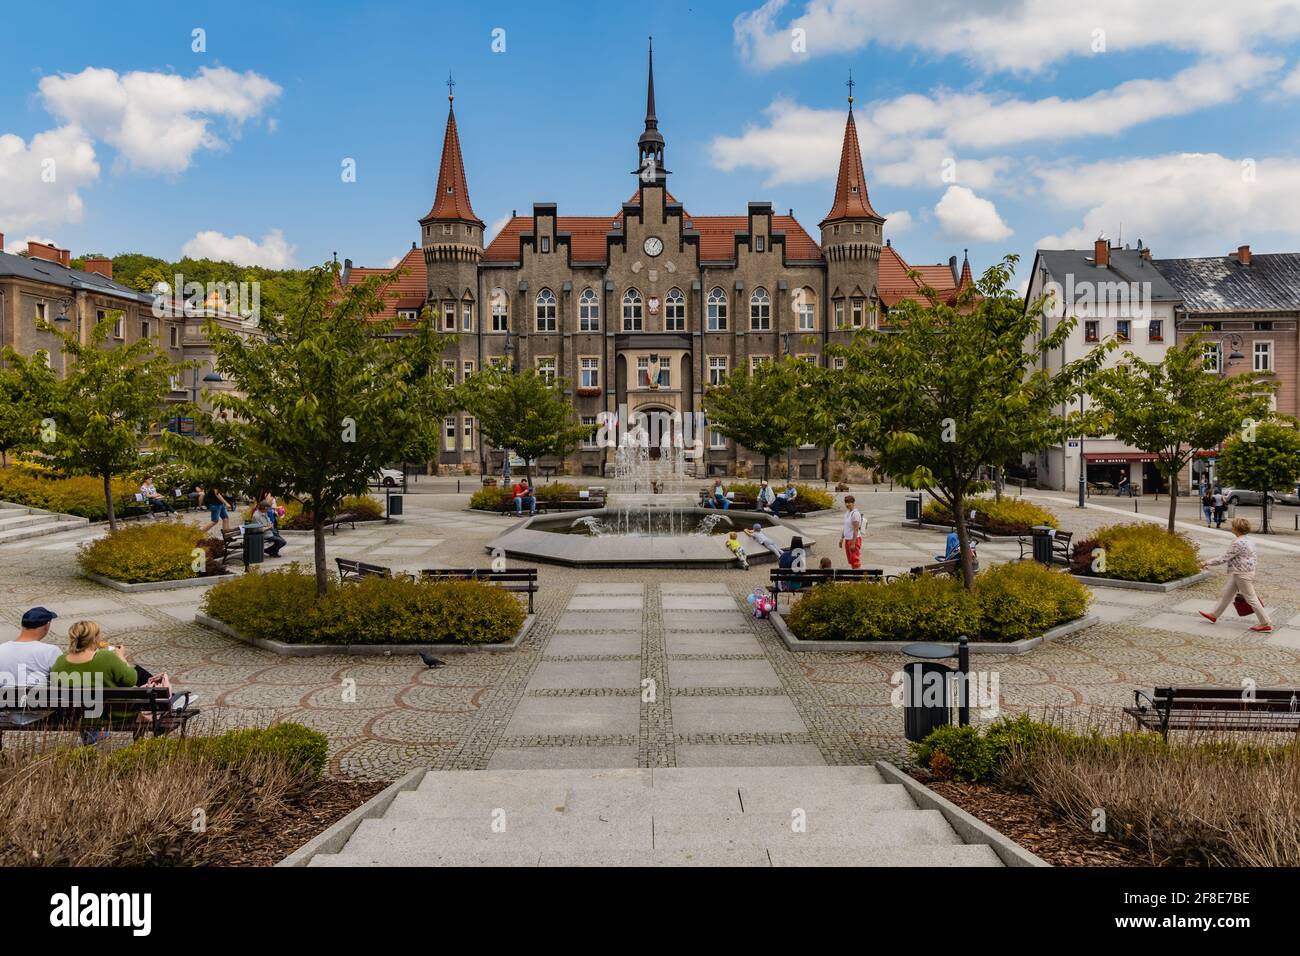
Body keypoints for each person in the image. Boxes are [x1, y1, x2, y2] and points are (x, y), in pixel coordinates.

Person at [1199, 517, 1272, 632]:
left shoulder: (1238, 543)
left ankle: (1265, 623)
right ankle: (1214, 614)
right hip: (1243, 572)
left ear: (1236, 529)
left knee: (1251, 598)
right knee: (1226, 594)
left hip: (1242, 574)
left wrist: (1205, 562)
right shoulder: (1248, 540)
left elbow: (1224, 558)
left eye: (1232, 526)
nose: (1231, 527)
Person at [0, 606, 61, 688]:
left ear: (22, 624)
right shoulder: (51, 651)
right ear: (47, 625)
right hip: (37, 699)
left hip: (5, 699)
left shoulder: (2, 649)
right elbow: (63, 680)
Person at [841, 495, 864, 569]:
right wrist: (842, 538)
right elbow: (845, 527)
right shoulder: (847, 513)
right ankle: (854, 576)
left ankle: (857, 578)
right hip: (847, 539)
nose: (847, 504)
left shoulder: (855, 514)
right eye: (846, 502)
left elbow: (856, 529)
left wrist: (853, 543)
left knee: (855, 560)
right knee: (851, 560)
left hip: (854, 539)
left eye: (849, 503)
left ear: (853, 503)